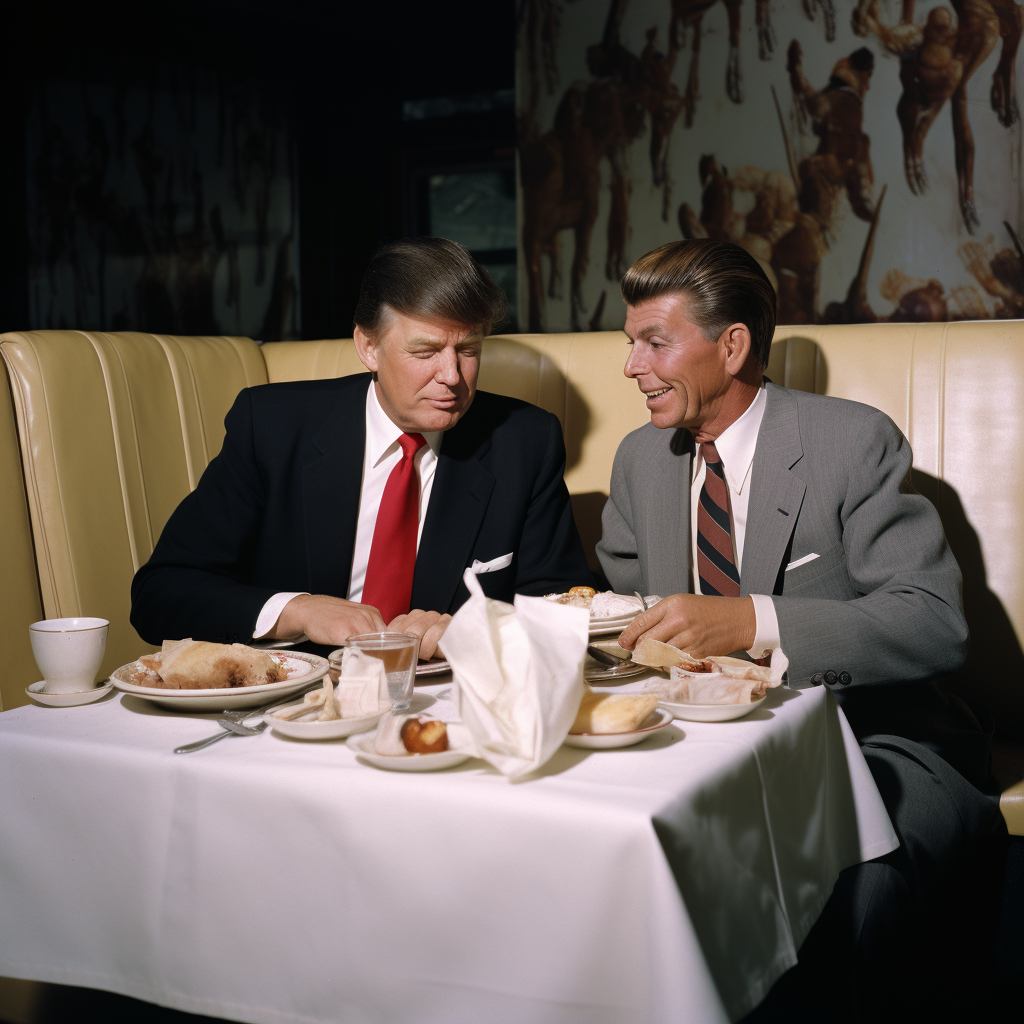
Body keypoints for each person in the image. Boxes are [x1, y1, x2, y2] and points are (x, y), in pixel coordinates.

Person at [597, 239, 999, 1017]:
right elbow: (623, 605)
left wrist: (750, 620)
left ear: (734, 345)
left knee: (845, 893)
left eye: (654, 342)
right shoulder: (640, 460)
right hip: (701, 753)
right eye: (629, 343)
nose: (630, 366)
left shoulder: (852, 442)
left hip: (871, 737)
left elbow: (935, 624)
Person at [131, 237, 592, 658]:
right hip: (293, 706)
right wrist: (298, 610)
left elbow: (564, 605)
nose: (452, 376)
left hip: (446, 704)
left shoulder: (525, 442)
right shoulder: (272, 427)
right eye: (425, 351)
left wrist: (476, 627)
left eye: (468, 350)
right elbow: (159, 595)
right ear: (368, 347)